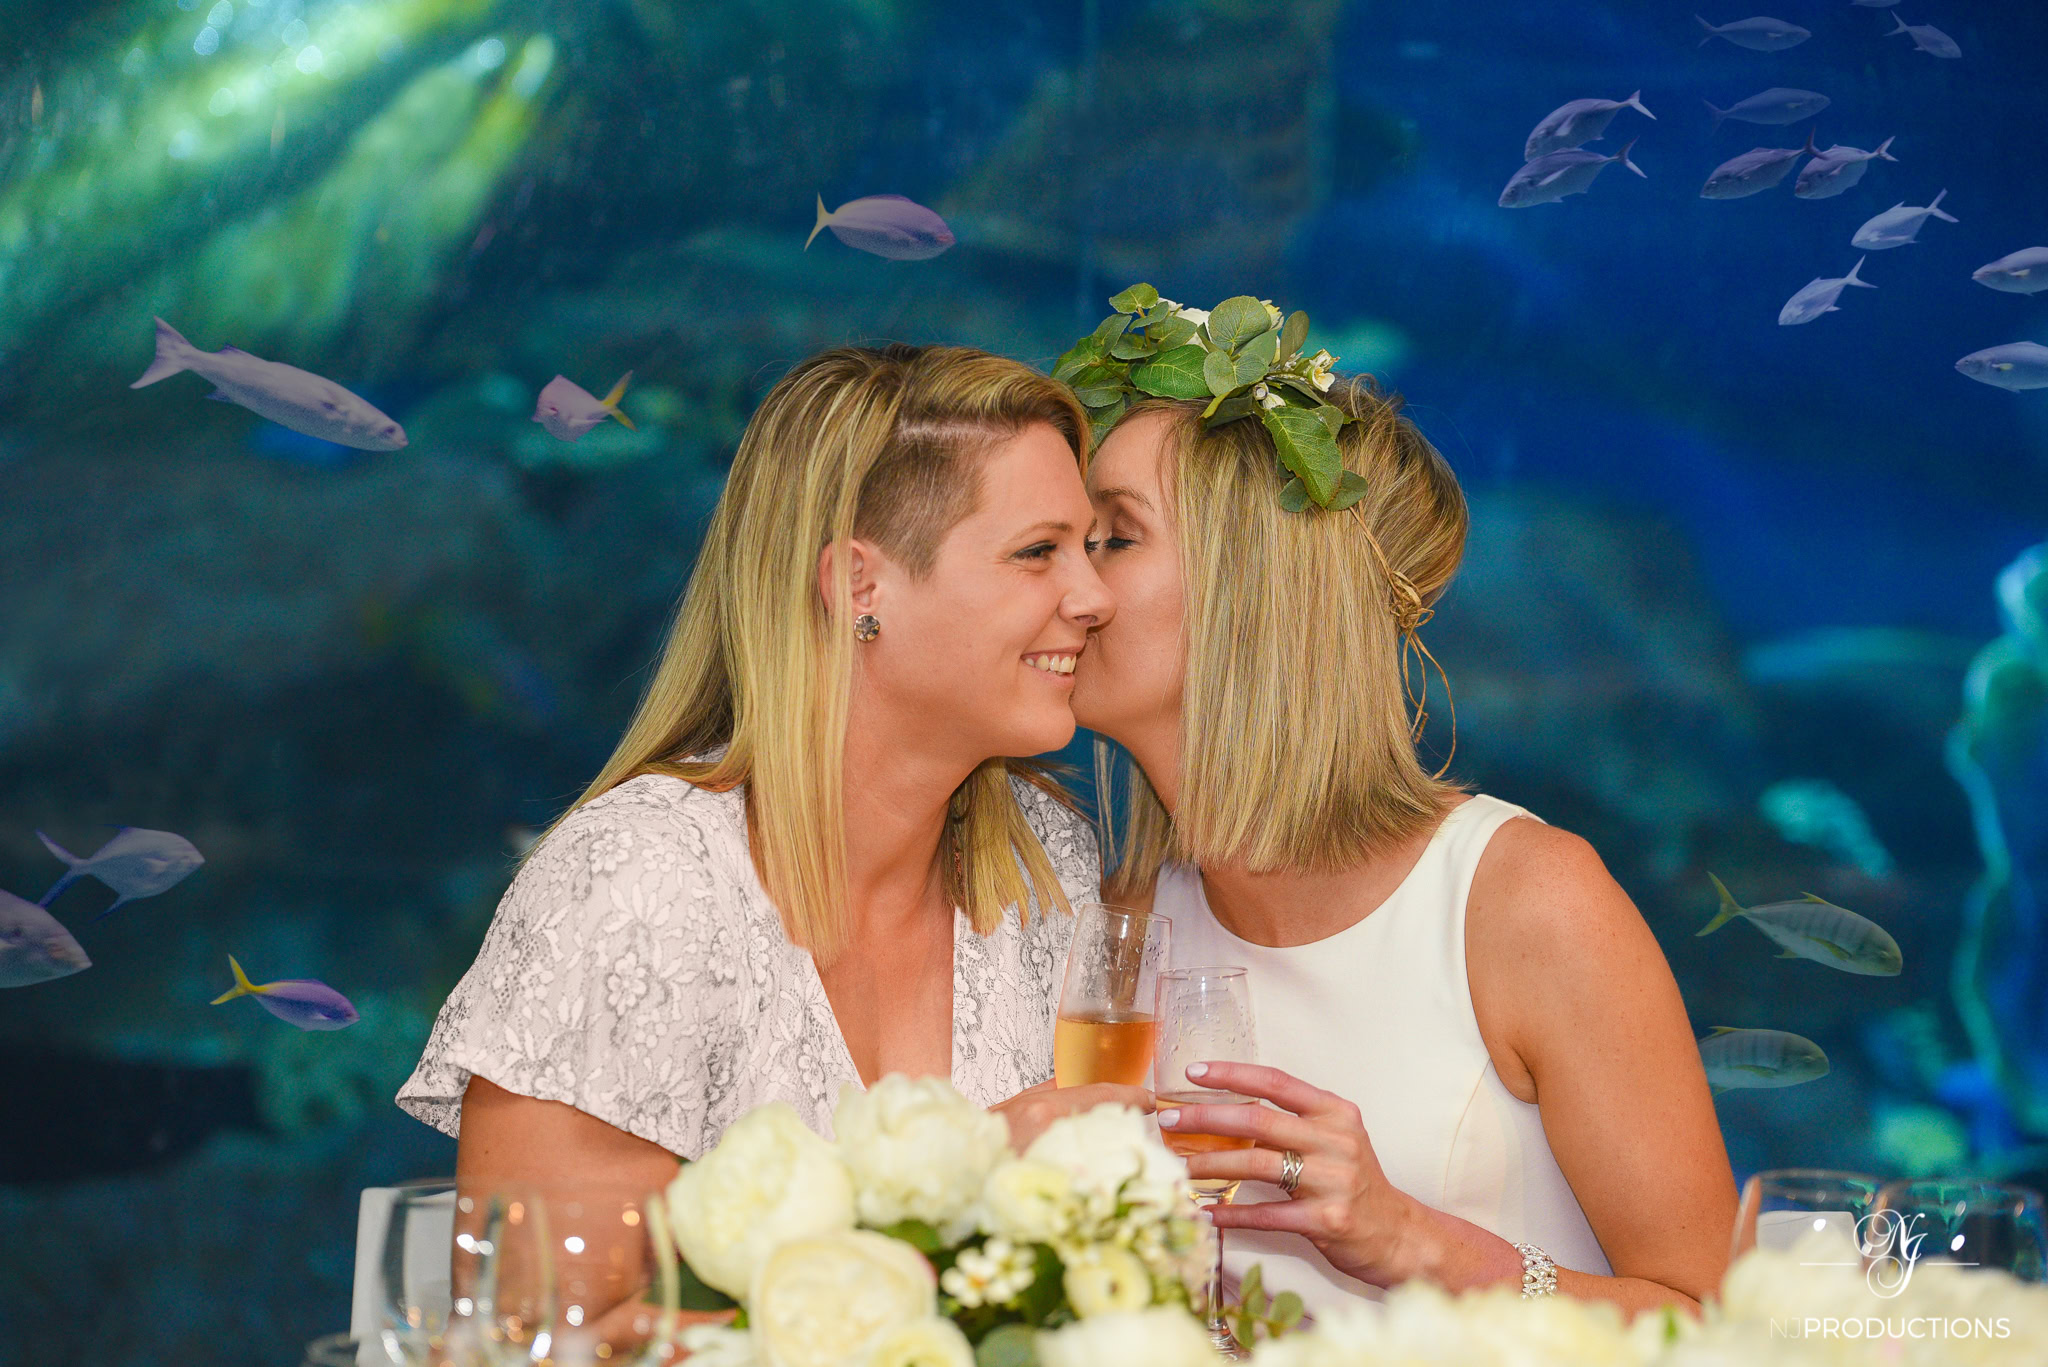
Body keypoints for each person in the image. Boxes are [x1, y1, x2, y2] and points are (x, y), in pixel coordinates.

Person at [1067, 314, 1737, 1320]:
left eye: (1110, 537)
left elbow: (1719, 1322)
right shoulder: (1120, 923)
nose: (1066, 586)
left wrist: (1413, 1238)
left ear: (1254, 584)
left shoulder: (1522, 902)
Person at [396, 343, 1142, 1210]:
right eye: (1038, 552)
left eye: (1090, 547)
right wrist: (963, 1181)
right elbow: (549, 1326)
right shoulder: (634, 886)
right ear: (859, 585)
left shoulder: (1048, 865)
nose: (1095, 595)